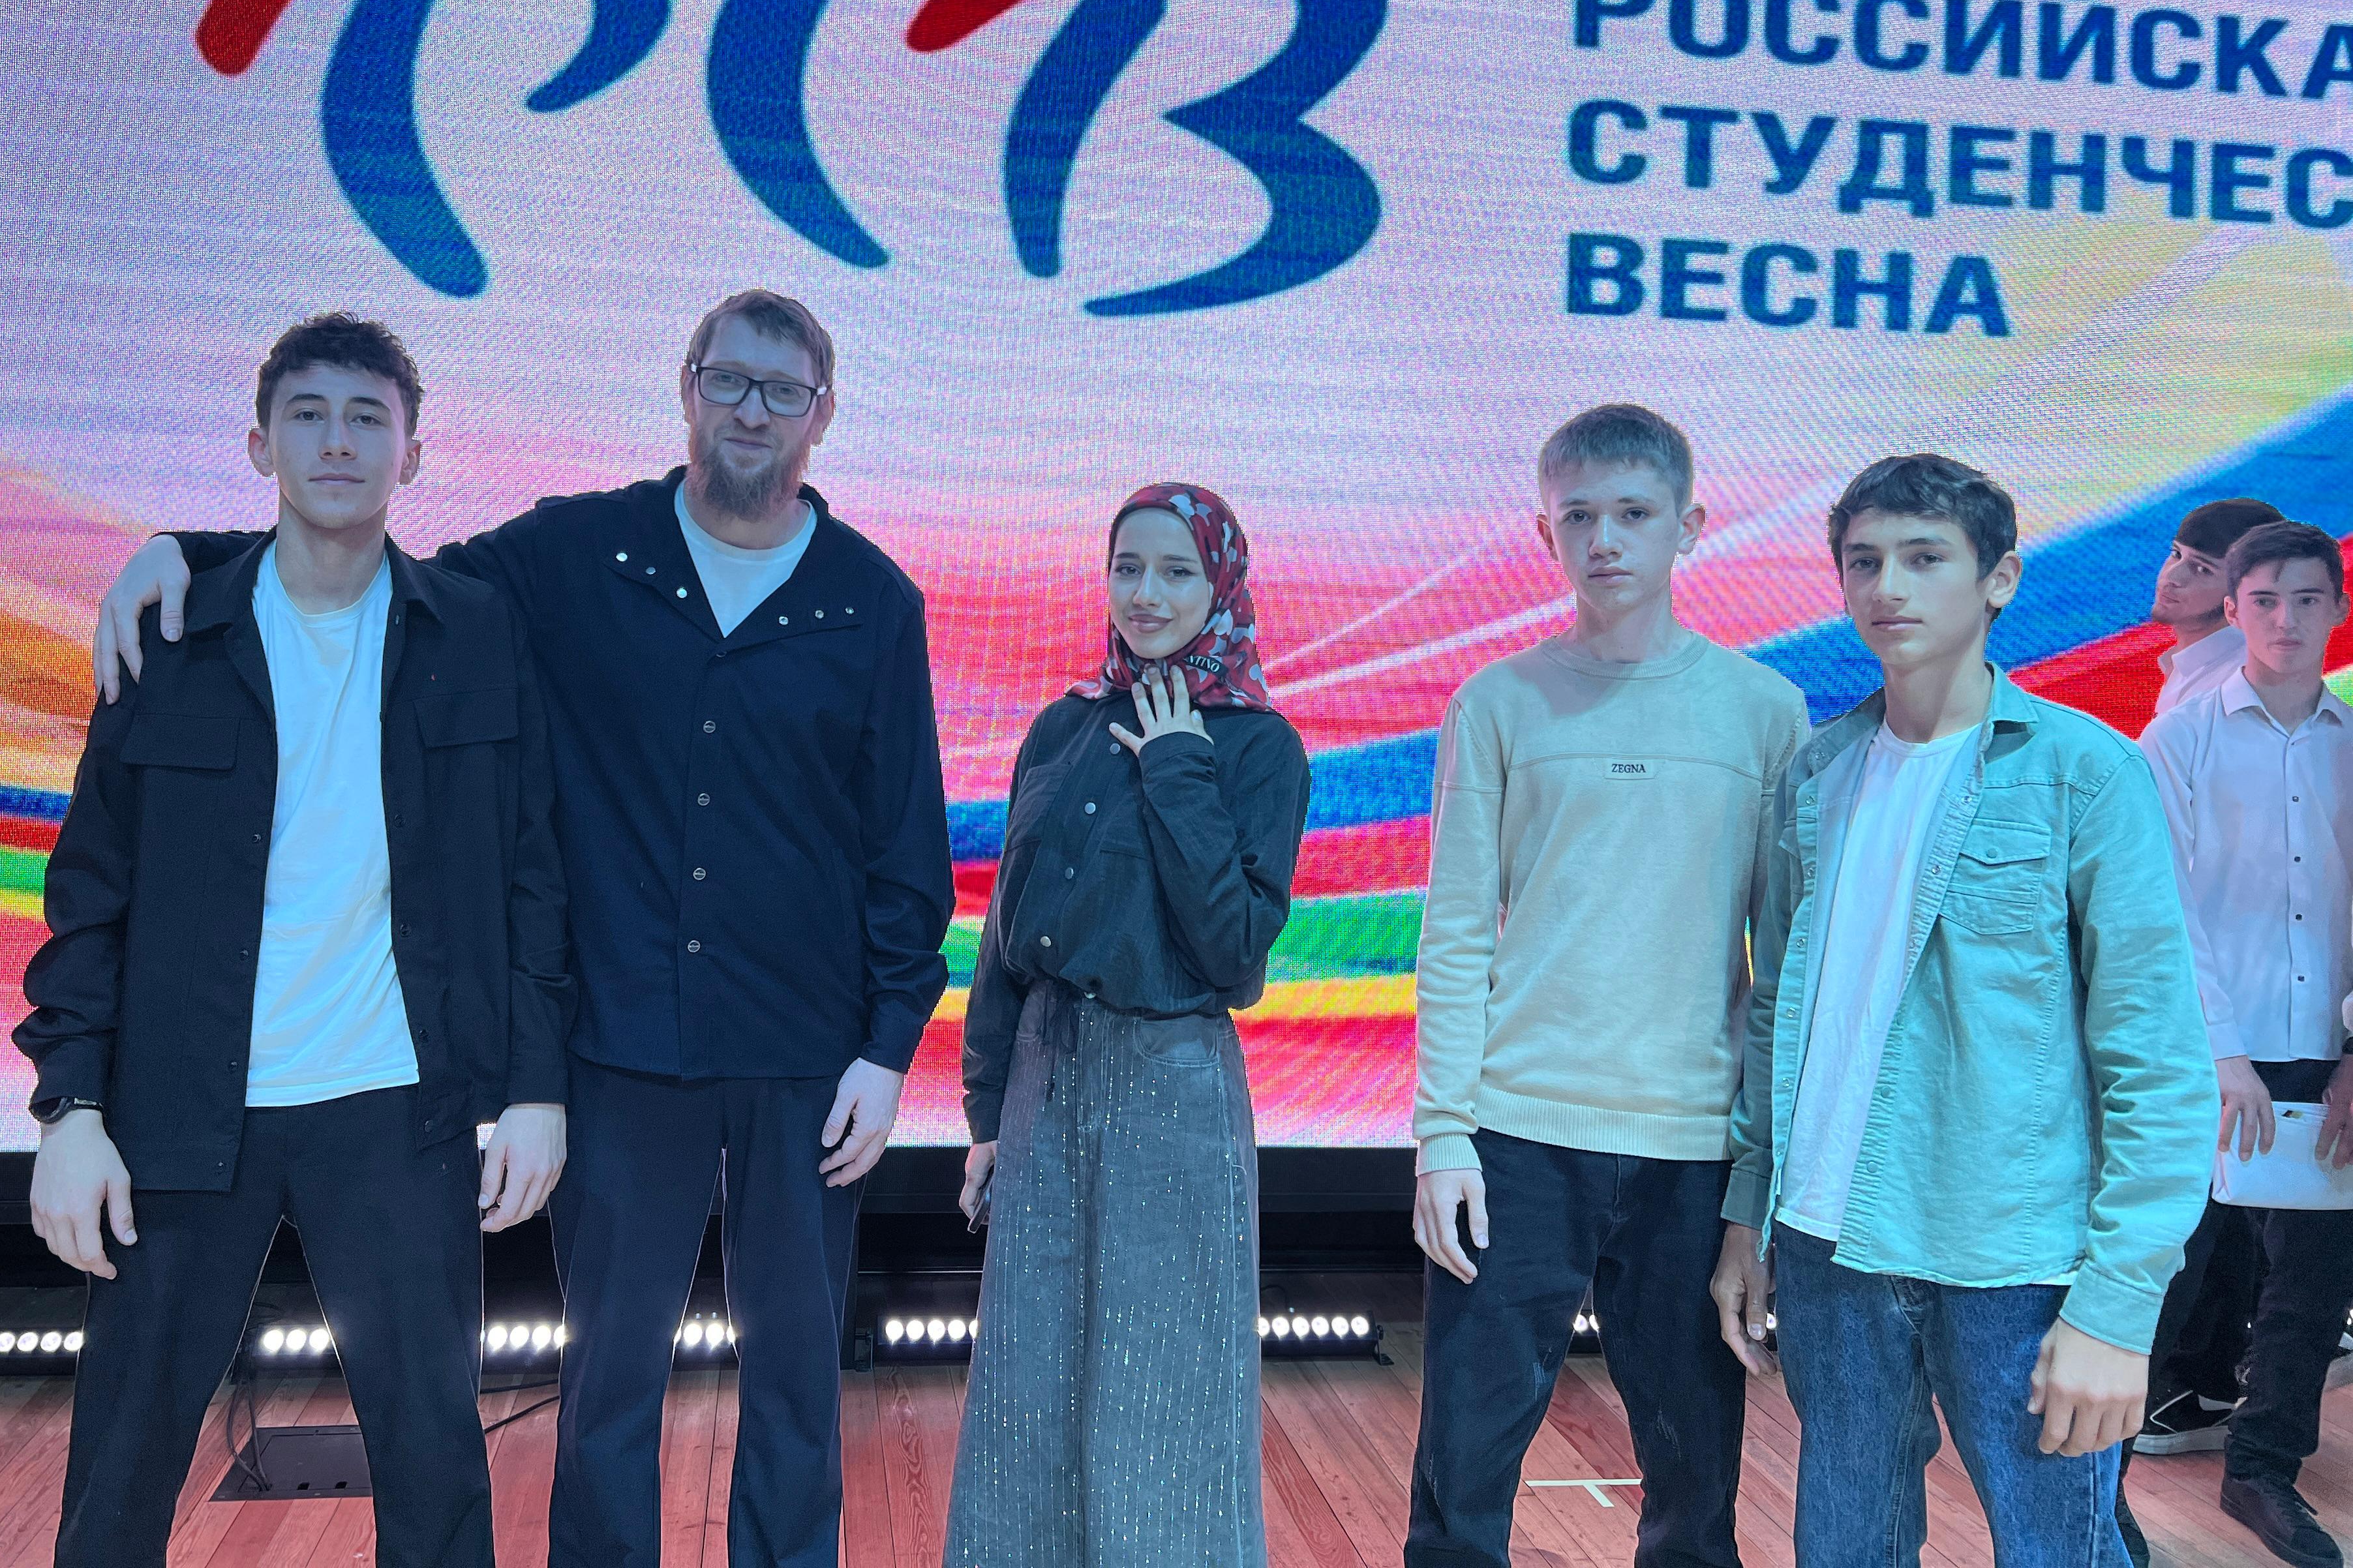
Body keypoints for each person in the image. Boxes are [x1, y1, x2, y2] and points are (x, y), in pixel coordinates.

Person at [91, 288, 954, 1568]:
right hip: (619, 1045)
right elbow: (366, 564)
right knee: (607, 1382)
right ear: (687, 386)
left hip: (807, 1054)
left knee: (795, 1379)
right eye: (729, 379)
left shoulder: (872, 600)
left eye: (783, 390)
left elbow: (907, 849)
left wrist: (887, 1048)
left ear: (821, 414)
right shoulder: (578, 552)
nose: (751, 410)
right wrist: (188, 549)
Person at [18, 312, 573, 1567]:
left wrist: (536, 1087)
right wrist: (69, 1106)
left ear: (412, 453)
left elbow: (531, 874)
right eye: (308, 414)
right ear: (259, 442)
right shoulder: (171, 633)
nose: (338, 441)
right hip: (179, 1108)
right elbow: (92, 886)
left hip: (395, 1104)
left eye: (368, 417)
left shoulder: (477, 630)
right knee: (120, 1466)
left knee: (435, 1466)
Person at [1712, 453, 2218, 1568]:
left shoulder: (2086, 773)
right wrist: (1750, 1210)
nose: (1887, 585)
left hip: (2015, 1253)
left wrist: (2118, 1302)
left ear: (1999, 578)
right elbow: (1779, 1010)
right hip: (1828, 1240)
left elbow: (2155, 1056)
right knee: (1845, 1546)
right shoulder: (1816, 774)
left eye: (1923, 557)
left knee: (2055, 1549)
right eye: (1863, 561)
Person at [1408, 404, 1808, 1568]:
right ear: (1545, 533)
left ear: (1691, 523)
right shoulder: (1498, 700)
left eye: (1634, 512)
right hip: (1517, 1132)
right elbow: (1454, 931)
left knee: (1696, 1480)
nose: (1605, 539)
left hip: (1693, 1141)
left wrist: (1758, 1172)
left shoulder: (1764, 711)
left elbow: (1780, 964)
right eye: (1578, 516)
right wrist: (1442, 1133)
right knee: (1462, 1474)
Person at [945, 484, 1309, 1568]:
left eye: (1176, 571)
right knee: (1028, 1383)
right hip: (1044, 1079)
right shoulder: (1060, 726)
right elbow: (1007, 934)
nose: (1146, 593)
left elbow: (1232, 951)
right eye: (1128, 567)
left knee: (1167, 1389)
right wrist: (985, 1113)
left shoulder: (1258, 746)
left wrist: (1176, 765)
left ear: (1220, 586)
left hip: (1174, 1084)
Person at [2138, 519, 2353, 1568]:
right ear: (2234, 611)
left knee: (2311, 1288)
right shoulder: (2179, 740)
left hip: (2326, 1051)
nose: (2286, 619)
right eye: (2264, 600)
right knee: (2167, 1273)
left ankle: (2263, 1470)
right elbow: (2163, 909)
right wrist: (2222, 1054)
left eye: (2308, 599)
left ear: (2338, 609)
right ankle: (2096, 1484)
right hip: (2206, 1056)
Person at [2153, 499, 2285, 721]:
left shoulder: (2233, 690)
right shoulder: (2193, 666)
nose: (2171, 576)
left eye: (2202, 569)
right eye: (2177, 554)